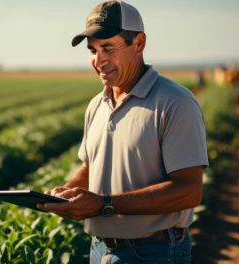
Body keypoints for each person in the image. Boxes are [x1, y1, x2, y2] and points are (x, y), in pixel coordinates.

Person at [37, 1, 208, 263]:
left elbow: (189, 191)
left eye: (108, 48)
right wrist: (65, 194)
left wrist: (104, 203)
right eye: (92, 50)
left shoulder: (175, 102)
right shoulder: (97, 104)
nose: (98, 61)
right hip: (99, 249)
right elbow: (92, 167)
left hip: (155, 252)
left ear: (139, 43)